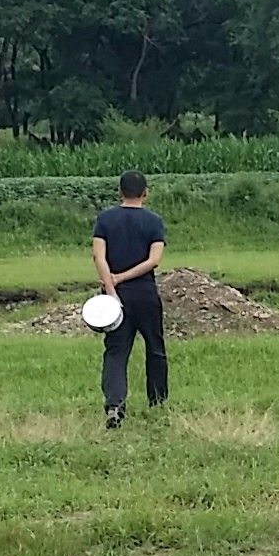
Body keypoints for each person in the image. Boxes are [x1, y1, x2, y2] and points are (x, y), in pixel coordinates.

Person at [91, 170, 168, 429]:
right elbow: (154, 260)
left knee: (116, 351)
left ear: (119, 191)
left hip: (116, 298)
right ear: (145, 193)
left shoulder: (105, 219)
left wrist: (112, 286)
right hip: (145, 294)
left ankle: (115, 405)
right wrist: (123, 277)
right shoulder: (154, 221)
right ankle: (157, 402)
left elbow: (98, 257)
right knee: (155, 348)